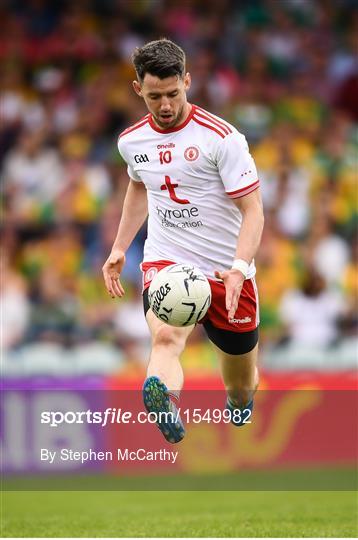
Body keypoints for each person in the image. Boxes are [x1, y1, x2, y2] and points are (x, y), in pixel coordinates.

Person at [102, 39, 264, 443]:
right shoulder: (131, 142)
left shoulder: (222, 139)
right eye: (154, 96)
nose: (166, 105)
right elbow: (139, 187)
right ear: (137, 89)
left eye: (173, 93)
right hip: (167, 260)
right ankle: (165, 401)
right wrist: (120, 247)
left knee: (241, 381)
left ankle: (239, 400)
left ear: (187, 81)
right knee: (166, 337)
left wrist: (239, 270)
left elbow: (254, 210)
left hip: (227, 269)